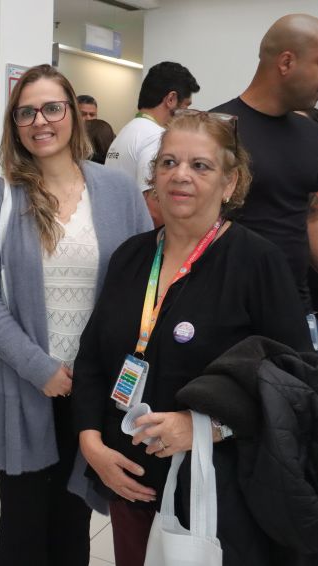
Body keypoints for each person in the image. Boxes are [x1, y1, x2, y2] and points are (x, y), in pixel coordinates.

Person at [73, 111, 313, 566]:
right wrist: (91, 443)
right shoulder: (131, 256)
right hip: (129, 482)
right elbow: (91, 360)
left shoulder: (258, 263)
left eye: (200, 165)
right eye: (168, 162)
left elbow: (294, 384)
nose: (180, 175)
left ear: (229, 182)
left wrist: (206, 427)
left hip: (217, 495)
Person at [0, 64, 152, 566]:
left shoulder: (118, 191)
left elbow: (140, 285)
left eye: (51, 108)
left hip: (96, 388)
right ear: (14, 124)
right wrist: (38, 367)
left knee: (74, 526)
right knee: (21, 531)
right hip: (25, 383)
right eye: (26, 112)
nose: (39, 121)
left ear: (73, 113)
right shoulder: (0, 195)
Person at [211, 14, 318, 314]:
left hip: (294, 306)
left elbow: (312, 218)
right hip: (227, 305)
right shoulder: (217, 129)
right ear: (286, 62)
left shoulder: (311, 135)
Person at [106, 62, 200, 227]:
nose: (186, 114)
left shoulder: (126, 131)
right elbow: (154, 210)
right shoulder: (155, 137)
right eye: (186, 105)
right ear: (171, 99)